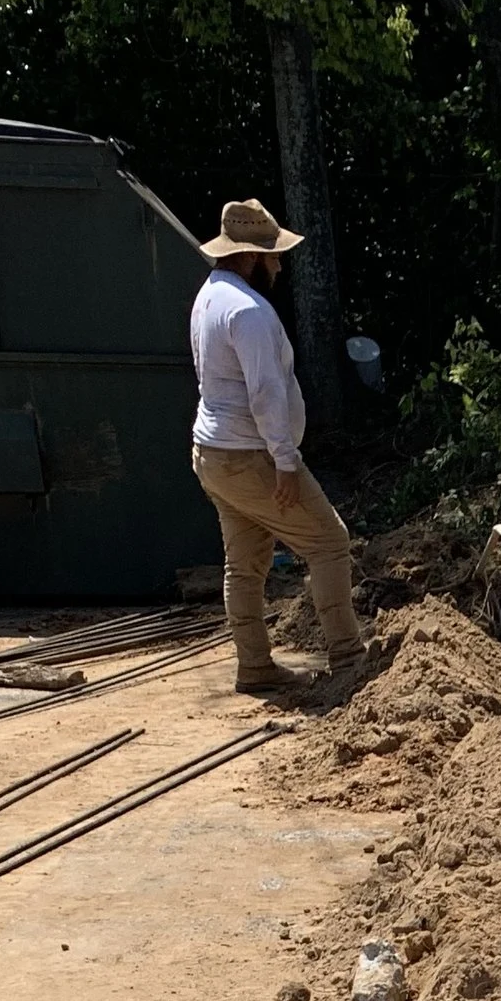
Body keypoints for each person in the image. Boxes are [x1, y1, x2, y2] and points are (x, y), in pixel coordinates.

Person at [188, 198, 366, 698]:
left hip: (214, 454)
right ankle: (349, 657)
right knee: (329, 543)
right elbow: (264, 392)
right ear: (250, 256)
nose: (280, 264)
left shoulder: (210, 295)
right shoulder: (249, 312)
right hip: (251, 457)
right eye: (274, 255)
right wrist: (285, 462)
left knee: (243, 565)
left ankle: (255, 667)